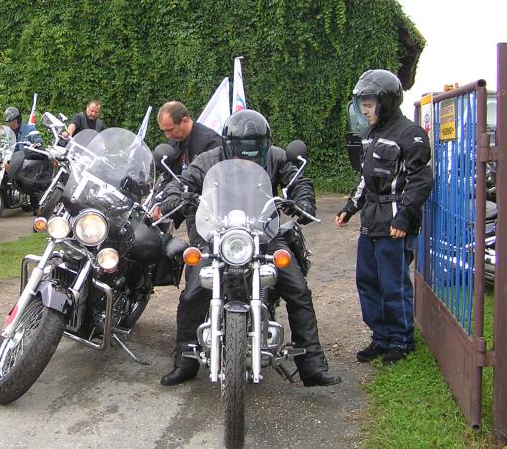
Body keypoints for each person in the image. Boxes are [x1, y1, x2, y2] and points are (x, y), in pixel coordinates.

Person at [159, 109, 341, 387]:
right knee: (193, 292)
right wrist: (176, 197)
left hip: (263, 234)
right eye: (242, 150)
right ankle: (184, 361)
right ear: (229, 145)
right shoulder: (208, 159)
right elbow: (181, 182)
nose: (248, 157)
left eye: (255, 149)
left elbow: (298, 181)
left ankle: (312, 365)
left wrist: (303, 201)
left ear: (265, 145)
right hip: (217, 235)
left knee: (298, 288)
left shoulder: (276, 157)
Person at [335, 69, 432, 365]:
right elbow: (365, 179)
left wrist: (403, 219)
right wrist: (350, 208)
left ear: (386, 102)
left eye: (369, 105)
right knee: (367, 281)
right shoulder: (370, 135)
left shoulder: (411, 135)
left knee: (393, 283)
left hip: (394, 223)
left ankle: (401, 340)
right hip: (371, 221)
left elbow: (420, 181)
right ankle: (381, 337)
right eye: (362, 105)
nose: (364, 111)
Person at [156, 101, 221, 179]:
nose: (167, 136)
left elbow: (214, 179)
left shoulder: (210, 143)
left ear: (185, 121)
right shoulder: (174, 143)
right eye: (164, 131)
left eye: (170, 130)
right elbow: (167, 175)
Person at [3, 106, 43, 215]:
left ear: (18, 119)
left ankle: (36, 207)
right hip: (11, 160)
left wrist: (36, 143)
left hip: (25, 161)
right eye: (8, 122)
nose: (10, 124)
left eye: (12, 121)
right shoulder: (7, 132)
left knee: (30, 180)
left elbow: (37, 139)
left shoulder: (29, 129)